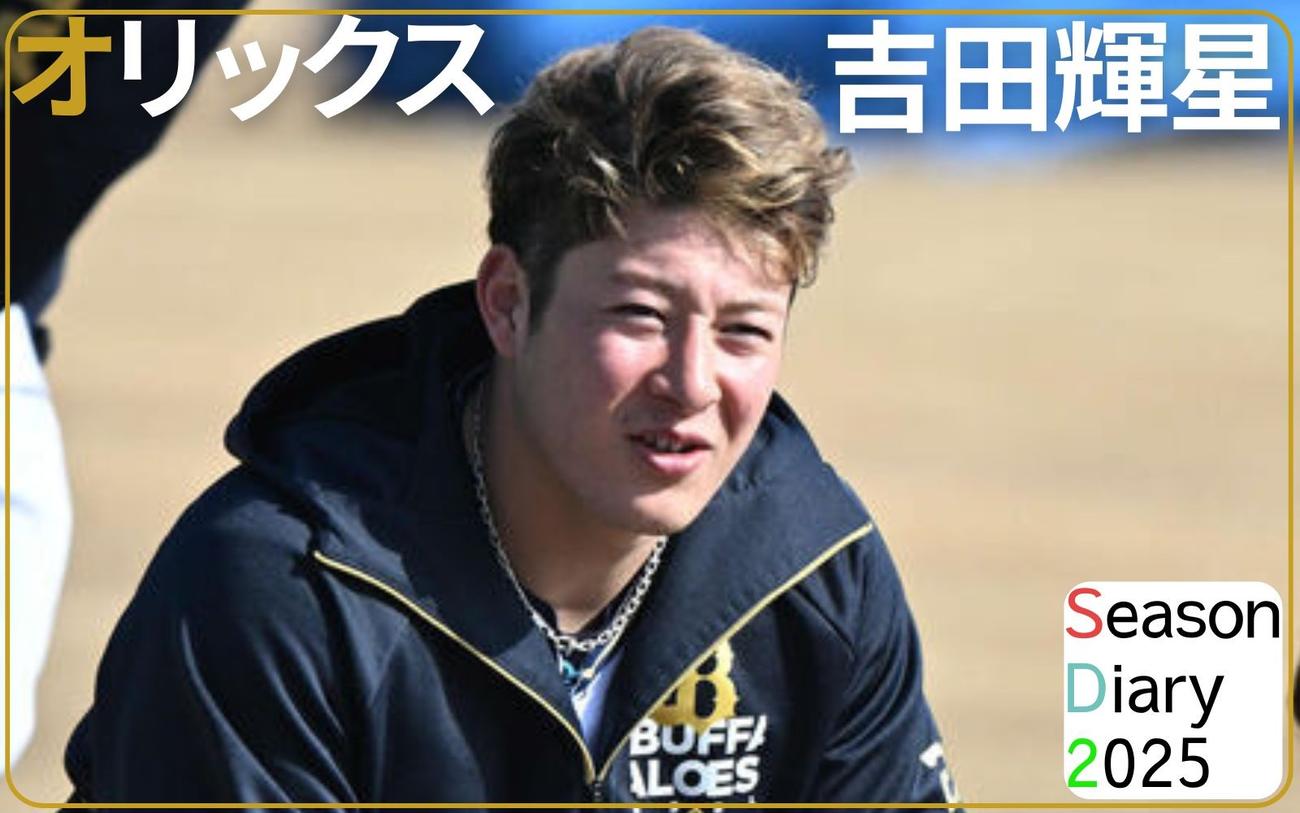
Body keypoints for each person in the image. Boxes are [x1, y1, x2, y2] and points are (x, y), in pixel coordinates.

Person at [64, 26, 958, 806]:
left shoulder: (815, 574)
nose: (692, 383)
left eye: (744, 331)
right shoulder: (283, 589)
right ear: (507, 302)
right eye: (638, 315)